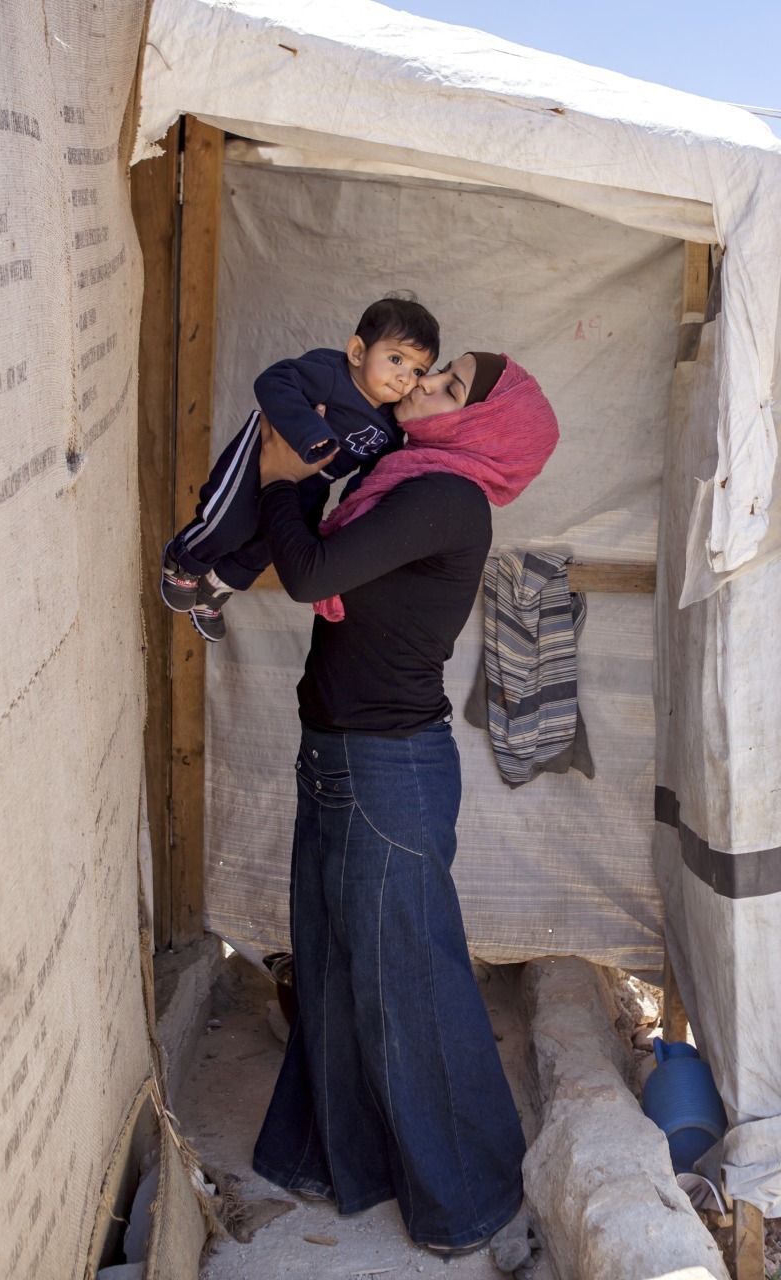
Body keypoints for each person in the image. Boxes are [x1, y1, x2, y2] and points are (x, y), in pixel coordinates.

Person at [250, 352, 558, 1271]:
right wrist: (297, 487)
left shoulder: (448, 499)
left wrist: (278, 481)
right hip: (346, 758)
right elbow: (324, 566)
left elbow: (307, 576)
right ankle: (336, 1159)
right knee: (340, 970)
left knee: (407, 987)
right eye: (431, 372)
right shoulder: (401, 480)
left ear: (483, 427)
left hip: (383, 773)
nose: (421, 385)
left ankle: (467, 1198)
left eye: (450, 386)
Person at [160, 296, 439, 641]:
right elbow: (273, 382)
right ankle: (184, 559)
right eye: (396, 359)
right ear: (357, 352)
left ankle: (214, 590)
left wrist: (352, 507)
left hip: (312, 483)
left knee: (275, 541)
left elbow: (377, 472)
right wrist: (309, 431)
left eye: (417, 371)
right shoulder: (332, 373)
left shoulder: (391, 426)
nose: (404, 378)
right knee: (232, 522)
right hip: (264, 452)